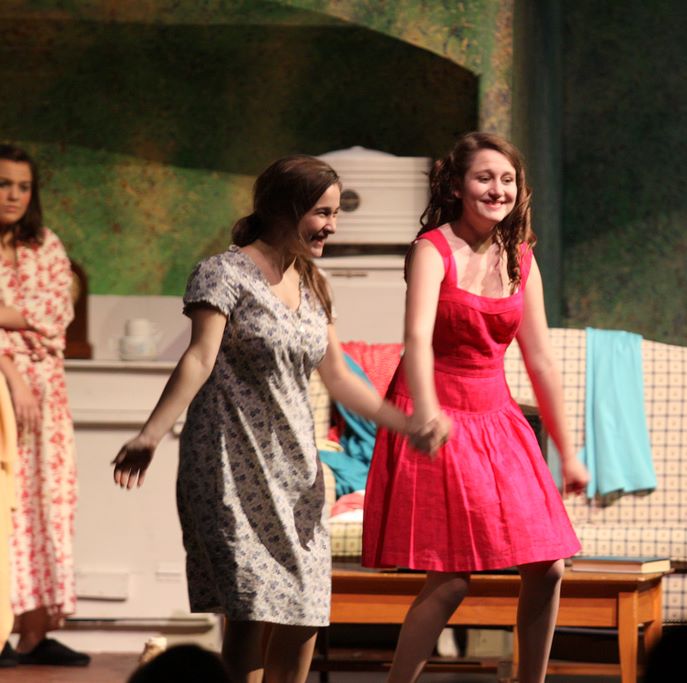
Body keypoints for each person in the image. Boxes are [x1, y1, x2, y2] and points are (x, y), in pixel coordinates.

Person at [112, 155, 443, 683]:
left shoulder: (313, 282)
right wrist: (150, 434)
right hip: (230, 458)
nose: (332, 226)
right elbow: (199, 357)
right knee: (249, 609)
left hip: (295, 465)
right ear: (282, 209)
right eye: (322, 213)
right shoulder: (222, 273)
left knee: (305, 611)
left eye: (335, 213)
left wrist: (406, 424)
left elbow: (339, 376)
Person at [361, 132, 589, 683]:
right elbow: (416, 339)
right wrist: (426, 412)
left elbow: (540, 359)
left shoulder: (521, 259)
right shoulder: (431, 250)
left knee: (548, 565)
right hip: (436, 409)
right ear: (458, 186)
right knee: (452, 579)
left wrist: (568, 451)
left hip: (496, 416)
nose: (497, 189)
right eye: (484, 177)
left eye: (507, 179)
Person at [0, 144, 90, 667]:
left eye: (23, 186)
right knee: (4, 506)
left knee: (47, 505)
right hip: (4, 391)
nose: (13, 195)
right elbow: (36, 318)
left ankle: (34, 634)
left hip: (48, 395)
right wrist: (11, 371)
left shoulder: (45, 244)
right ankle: (0, 630)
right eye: (3, 184)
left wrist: (7, 314)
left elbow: (57, 311)